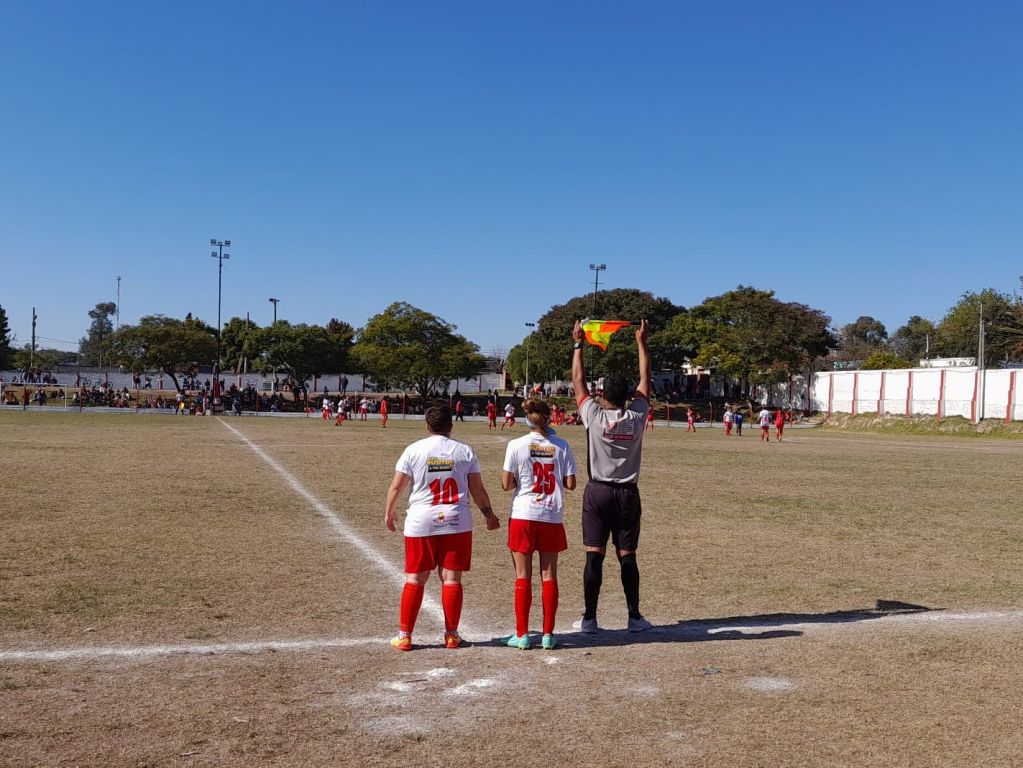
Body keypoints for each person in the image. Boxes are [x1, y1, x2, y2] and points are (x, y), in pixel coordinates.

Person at [384, 405, 500, 651]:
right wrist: (489, 515)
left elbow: (396, 486)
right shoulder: (464, 451)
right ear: (451, 425)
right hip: (456, 521)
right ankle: (451, 635)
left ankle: (404, 636)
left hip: (421, 521)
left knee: (415, 578)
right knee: (451, 579)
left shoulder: (413, 450)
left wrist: (389, 511)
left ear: (428, 426)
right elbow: (477, 489)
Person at [570, 318, 653, 633]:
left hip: (598, 493)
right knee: (627, 556)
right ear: (629, 395)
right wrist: (641, 343)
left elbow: (578, 380)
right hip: (628, 494)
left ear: (602, 394)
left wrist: (578, 343)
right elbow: (646, 378)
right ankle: (634, 617)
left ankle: (590, 619)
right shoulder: (637, 417)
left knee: (594, 555)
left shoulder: (593, 415)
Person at [501, 399, 577, 650]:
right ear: (548, 418)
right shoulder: (562, 445)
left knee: (522, 575)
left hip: (523, 514)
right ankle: (547, 634)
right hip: (551, 515)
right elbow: (570, 484)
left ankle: (522, 634)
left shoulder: (516, 445)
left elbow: (506, 484)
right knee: (549, 575)